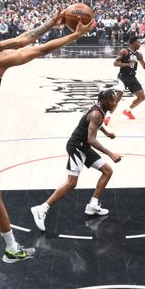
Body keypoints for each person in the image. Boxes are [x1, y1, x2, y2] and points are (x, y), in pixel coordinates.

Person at [0, 11, 95, 263]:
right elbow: (36, 51)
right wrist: (73, 36)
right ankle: (12, 248)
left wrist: (51, 24)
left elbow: (23, 39)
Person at [30, 89, 122, 232]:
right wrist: (110, 153)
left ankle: (93, 204)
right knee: (71, 183)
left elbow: (96, 123)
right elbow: (91, 139)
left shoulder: (100, 110)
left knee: (107, 171)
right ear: (104, 101)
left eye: (115, 100)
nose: (114, 102)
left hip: (83, 147)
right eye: (112, 100)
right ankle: (42, 209)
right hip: (77, 147)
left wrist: (106, 132)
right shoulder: (96, 113)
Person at [105, 36, 145, 124]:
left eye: (140, 42)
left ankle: (127, 111)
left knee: (142, 97)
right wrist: (128, 64)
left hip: (132, 77)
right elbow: (115, 63)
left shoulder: (139, 55)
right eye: (138, 42)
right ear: (133, 43)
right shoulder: (124, 51)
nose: (140, 44)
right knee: (118, 96)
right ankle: (108, 116)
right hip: (122, 77)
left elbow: (144, 66)